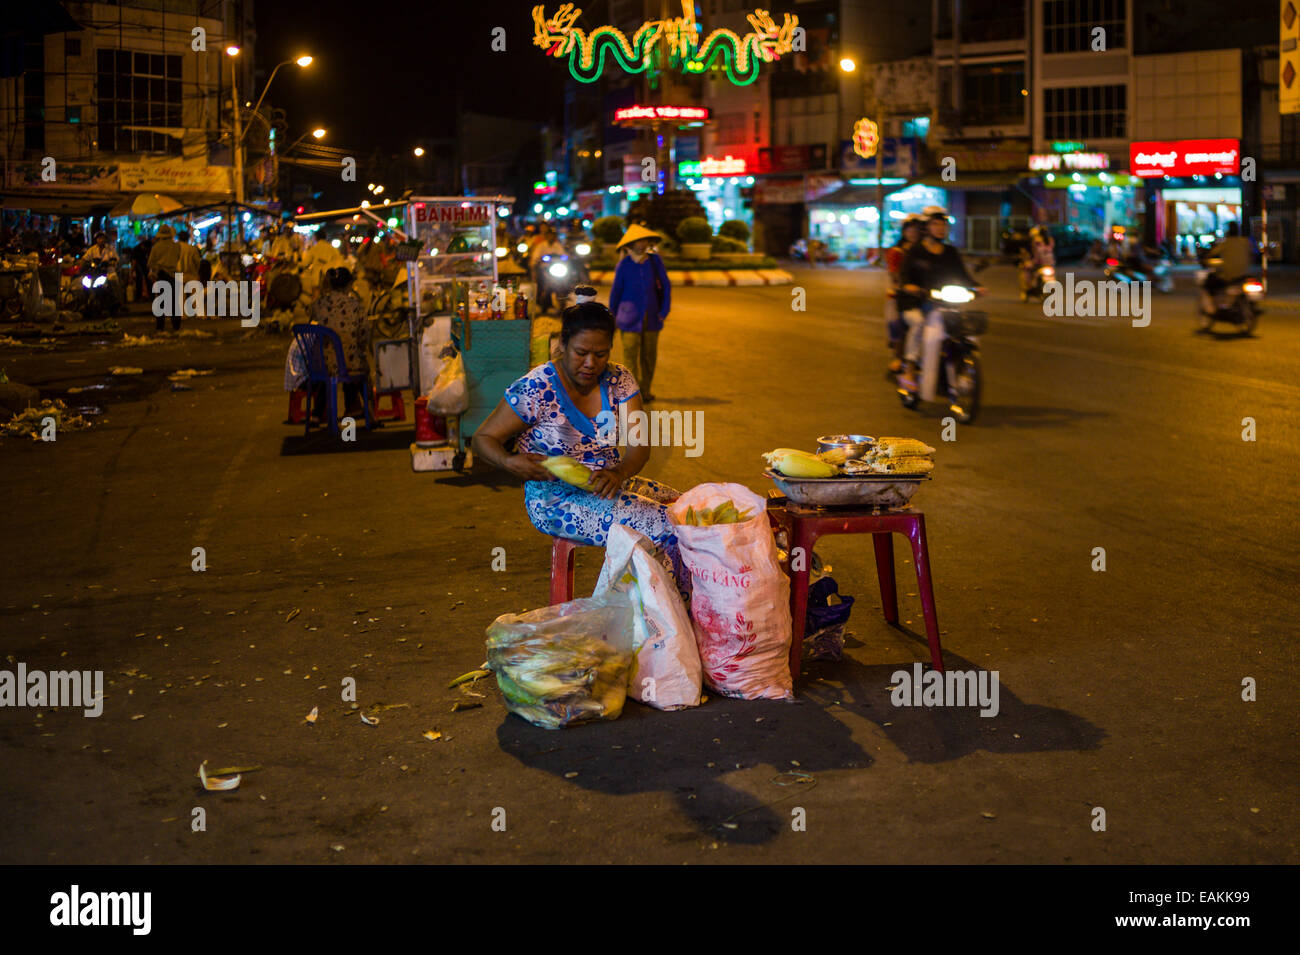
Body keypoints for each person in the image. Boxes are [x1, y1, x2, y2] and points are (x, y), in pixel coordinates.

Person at [471, 301, 686, 594]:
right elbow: (483, 439)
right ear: (563, 344)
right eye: (581, 353)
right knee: (672, 528)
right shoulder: (537, 387)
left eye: (600, 354)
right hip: (557, 502)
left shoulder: (619, 380)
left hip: (611, 484)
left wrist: (619, 472)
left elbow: (640, 447)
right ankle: (656, 623)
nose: (590, 363)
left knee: (688, 510)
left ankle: (670, 614)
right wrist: (509, 462)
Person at [898, 206, 985, 393]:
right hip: (916, 303)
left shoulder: (951, 252)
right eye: (935, 224)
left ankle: (964, 369)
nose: (940, 228)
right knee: (919, 324)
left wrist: (976, 287)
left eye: (943, 224)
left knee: (965, 329)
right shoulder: (915, 251)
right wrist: (913, 288)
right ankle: (910, 370)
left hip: (944, 303)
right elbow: (904, 278)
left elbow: (963, 276)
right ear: (926, 227)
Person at [608, 224, 670, 403]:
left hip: (652, 317)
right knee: (630, 357)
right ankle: (632, 393)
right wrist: (611, 316)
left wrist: (663, 311)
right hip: (628, 318)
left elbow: (665, 286)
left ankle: (646, 389)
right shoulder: (624, 265)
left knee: (649, 356)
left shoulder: (655, 261)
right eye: (638, 241)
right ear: (630, 244)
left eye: (644, 240)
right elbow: (616, 292)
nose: (642, 244)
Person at [309, 266, 369, 418]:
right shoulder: (355, 306)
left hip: (322, 363)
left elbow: (311, 319)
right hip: (349, 362)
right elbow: (363, 335)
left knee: (331, 363)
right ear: (349, 285)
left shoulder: (318, 304)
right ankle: (356, 407)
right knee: (358, 361)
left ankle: (318, 411)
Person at [885, 214, 924, 372]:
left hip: (923, 292)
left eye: (916, 230)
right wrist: (899, 286)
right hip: (900, 292)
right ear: (904, 232)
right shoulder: (897, 251)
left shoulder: (924, 250)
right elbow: (893, 273)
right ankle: (898, 357)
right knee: (897, 323)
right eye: (910, 230)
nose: (913, 233)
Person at [1200, 220, 1254, 315]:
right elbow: (1251, 254)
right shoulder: (1245, 241)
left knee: (1209, 284)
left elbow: (1212, 253)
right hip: (1244, 274)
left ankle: (1213, 309)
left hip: (1229, 275)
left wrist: (1205, 259)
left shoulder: (1225, 243)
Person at [146, 224, 183, 331]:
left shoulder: (156, 247)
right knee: (175, 302)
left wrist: (157, 267)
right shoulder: (177, 246)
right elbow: (177, 258)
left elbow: (150, 263)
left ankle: (160, 328)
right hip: (174, 275)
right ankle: (176, 326)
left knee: (161, 302)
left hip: (161, 275)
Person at [528, 225, 567, 313]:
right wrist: (539, 260)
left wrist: (563, 258)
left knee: (566, 279)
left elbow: (564, 255)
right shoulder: (541, 246)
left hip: (557, 268)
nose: (551, 237)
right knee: (541, 282)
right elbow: (535, 258)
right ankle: (541, 300)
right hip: (544, 269)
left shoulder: (558, 246)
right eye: (549, 235)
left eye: (553, 235)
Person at [1019, 225, 1055, 301]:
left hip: (1042, 264)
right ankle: (1028, 289)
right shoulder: (1049, 241)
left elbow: (1036, 254)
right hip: (1045, 264)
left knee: (1026, 271)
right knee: (1027, 271)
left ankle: (1028, 288)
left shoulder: (1038, 241)